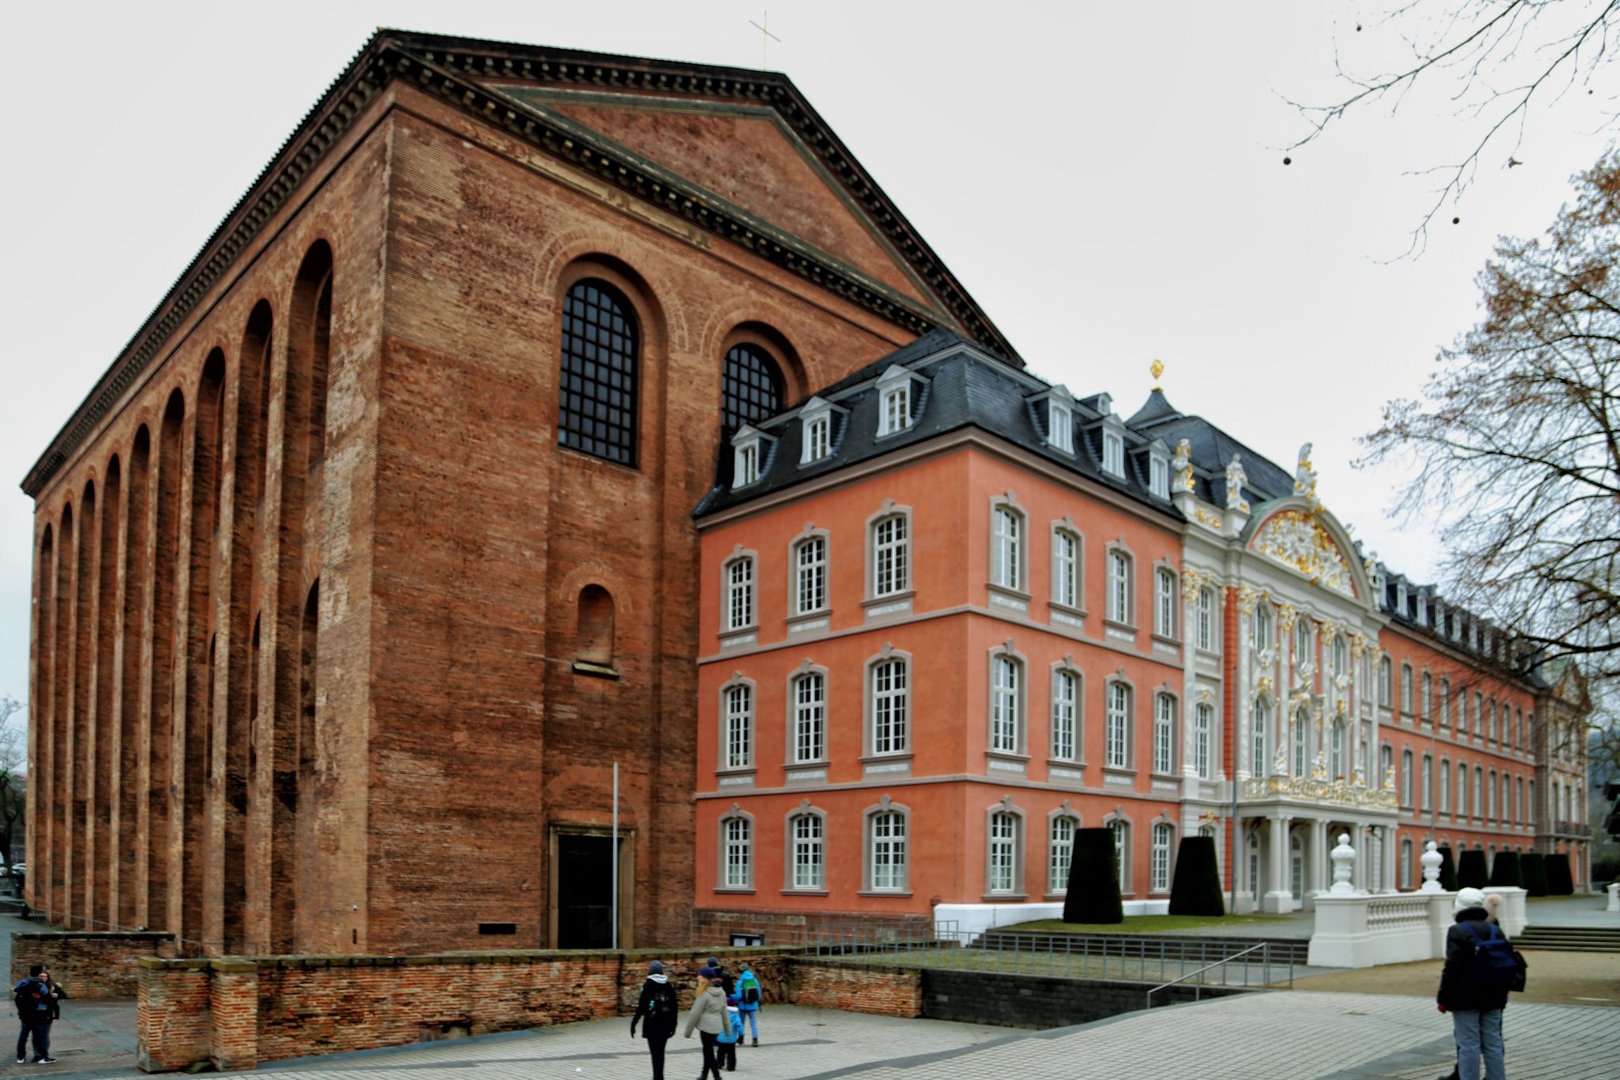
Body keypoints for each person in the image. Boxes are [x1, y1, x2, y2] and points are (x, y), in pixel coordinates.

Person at [1436, 887, 1509, 1080]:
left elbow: (1452, 968)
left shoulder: (1457, 931)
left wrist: (1443, 998)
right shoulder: (1495, 929)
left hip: (1465, 997)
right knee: (1493, 1042)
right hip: (1495, 995)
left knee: (1469, 1044)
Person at [629, 960, 680, 1080]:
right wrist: (674, 1025)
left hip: (652, 1024)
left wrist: (634, 1023)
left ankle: (657, 1077)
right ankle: (660, 1076)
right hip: (666, 1024)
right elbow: (674, 1006)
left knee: (654, 1053)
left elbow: (642, 1007)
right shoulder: (668, 985)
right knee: (661, 1053)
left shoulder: (648, 985)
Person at [682, 976, 727, 1080]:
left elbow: (695, 1013)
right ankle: (704, 1074)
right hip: (716, 1025)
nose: (697, 978)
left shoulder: (704, 993)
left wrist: (688, 1031)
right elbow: (724, 1011)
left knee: (708, 1052)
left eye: (700, 976)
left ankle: (717, 1076)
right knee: (708, 1050)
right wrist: (727, 1028)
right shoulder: (721, 991)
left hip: (706, 1026)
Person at [12, 964, 56, 1065]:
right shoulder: (40, 985)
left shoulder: (24, 982)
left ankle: (20, 1057)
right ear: (38, 973)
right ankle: (42, 1057)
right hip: (38, 1014)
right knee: (42, 1036)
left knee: (23, 1036)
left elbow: (16, 989)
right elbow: (47, 996)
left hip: (25, 1015)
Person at [735, 962, 762, 1047]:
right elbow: (759, 993)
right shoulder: (754, 980)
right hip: (753, 1005)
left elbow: (739, 996)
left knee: (741, 1023)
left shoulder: (740, 982)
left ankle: (741, 1039)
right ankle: (755, 1040)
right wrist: (757, 1001)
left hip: (742, 1006)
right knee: (753, 1023)